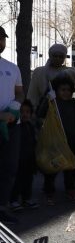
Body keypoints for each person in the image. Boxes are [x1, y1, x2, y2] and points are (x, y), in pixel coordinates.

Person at [39, 73, 75, 203]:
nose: (66, 93)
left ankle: (71, 189)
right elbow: (40, 112)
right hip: (56, 141)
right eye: (62, 90)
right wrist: (47, 99)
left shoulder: (73, 103)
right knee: (53, 167)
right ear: (56, 91)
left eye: (68, 90)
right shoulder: (53, 102)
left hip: (72, 141)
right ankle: (49, 191)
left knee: (71, 167)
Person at [0, 25, 23, 224]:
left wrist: (14, 110)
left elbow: (19, 92)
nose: (0, 42)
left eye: (2, 38)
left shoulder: (11, 67)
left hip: (11, 124)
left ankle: (3, 205)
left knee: (9, 166)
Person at [27, 44, 75, 109]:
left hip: (63, 110)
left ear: (64, 57)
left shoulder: (69, 72)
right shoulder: (39, 72)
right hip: (44, 109)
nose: (58, 58)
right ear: (50, 56)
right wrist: (31, 110)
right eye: (55, 56)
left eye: (61, 56)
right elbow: (32, 94)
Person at [9, 101, 37, 211]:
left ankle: (26, 199)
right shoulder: (15, 126)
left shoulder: (30, 126)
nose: (24, 114)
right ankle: (13, 200)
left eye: (27, 112)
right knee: (16, 181)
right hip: (18, 159)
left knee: (28, 180)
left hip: (28, 159)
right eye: (21, 112)